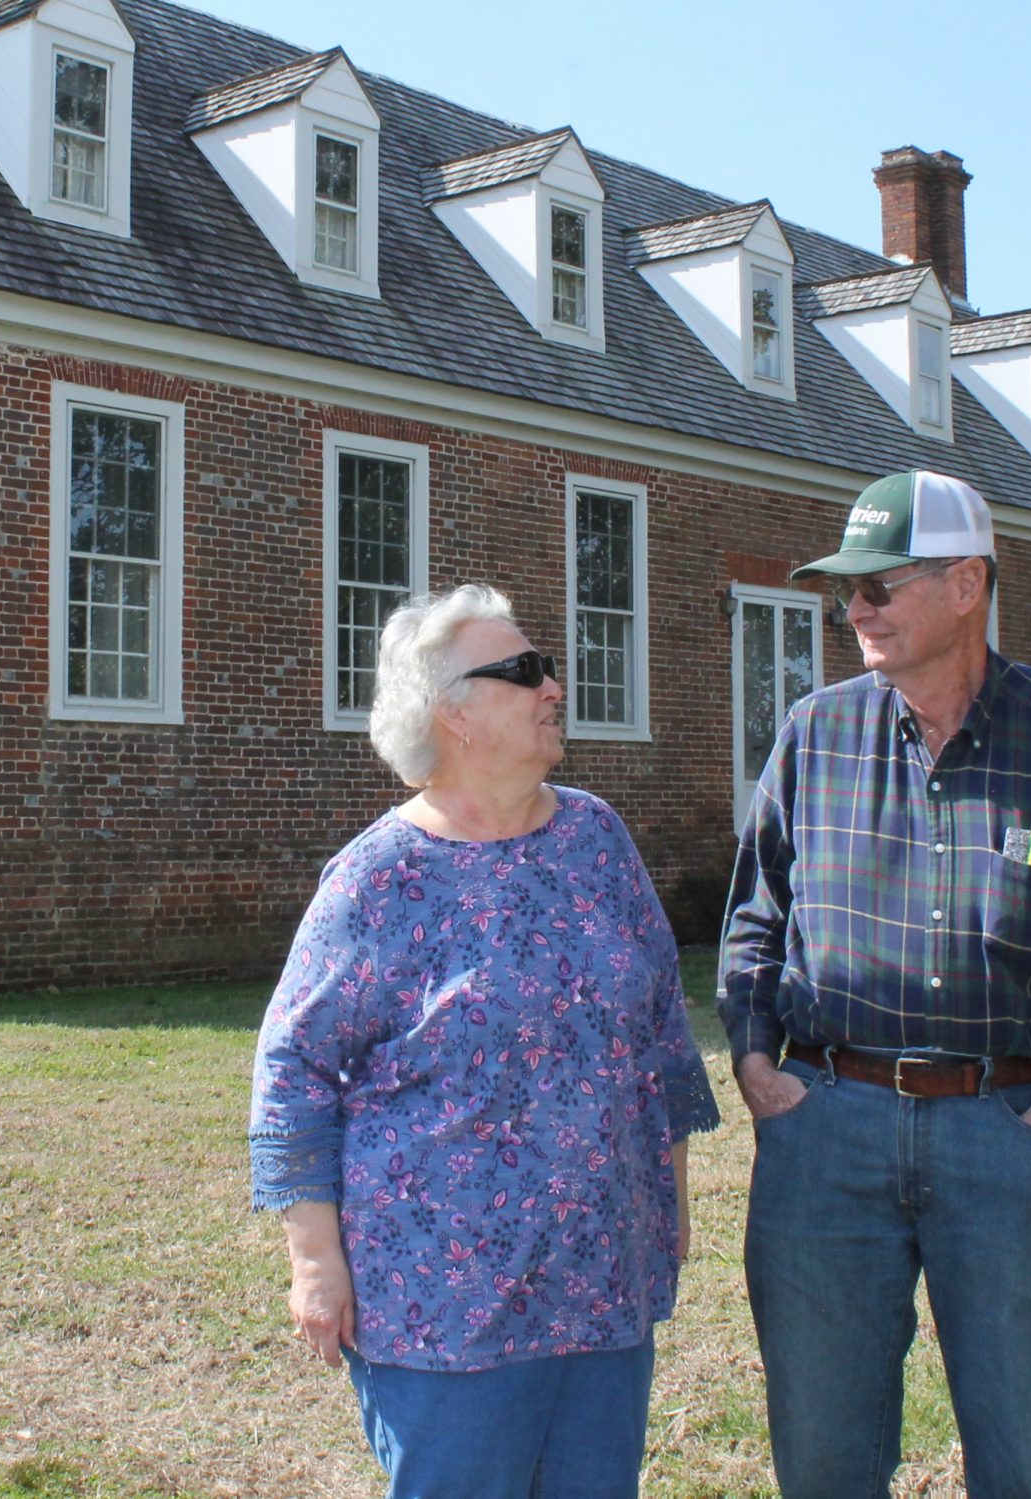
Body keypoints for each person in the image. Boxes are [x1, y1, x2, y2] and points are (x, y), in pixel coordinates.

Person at [718, 469, 1031, 1498]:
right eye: (849, 589)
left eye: (882, 584)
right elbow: (756, 918)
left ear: (966, 584)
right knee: (824, 1455)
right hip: (824, 1133)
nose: (857, 609)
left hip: (1008, 1136)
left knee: (1029, 1454)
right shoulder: (812, 734)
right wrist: (756, 1067)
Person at [250, 583, 720, 1499]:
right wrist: (314, 1261)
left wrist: (668, 1204)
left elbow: (662, 1029)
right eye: (526, 671)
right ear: (451, 714)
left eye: (550, 667)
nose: (556, 686)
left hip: (600, 1284)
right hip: (442, 1308)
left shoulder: (597, 838)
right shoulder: (377, 878)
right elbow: (295, 1071)